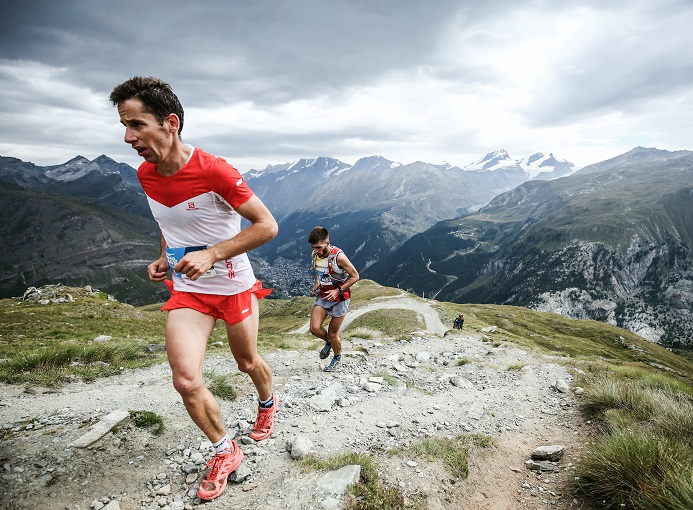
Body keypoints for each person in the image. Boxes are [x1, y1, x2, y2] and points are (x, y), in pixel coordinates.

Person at [109, 76, 279, 501]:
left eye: (136, 125)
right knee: (185, 380)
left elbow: (267, 226)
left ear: (170, 122)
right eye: (124, 127)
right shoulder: (145, 175)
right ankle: (226, 449)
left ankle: (267, 403)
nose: (129, 137)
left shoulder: (215, 169)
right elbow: (167, 222)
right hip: (188, 291)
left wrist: (214, 254)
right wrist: (165, 256)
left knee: (246, 362)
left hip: (234, 285)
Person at [307, 226, 359, 372]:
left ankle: (336, 357)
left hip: (340, 298)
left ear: (328, 243)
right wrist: (317, 282)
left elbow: (355, 276)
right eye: (313, 247)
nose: (315, 250)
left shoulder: (339, 257)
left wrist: (338, 290)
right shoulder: (316, 254)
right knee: (314, 328)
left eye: (318, 247)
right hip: (324, 295)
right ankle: (330, 343)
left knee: (332, 334)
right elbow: (319, 270)